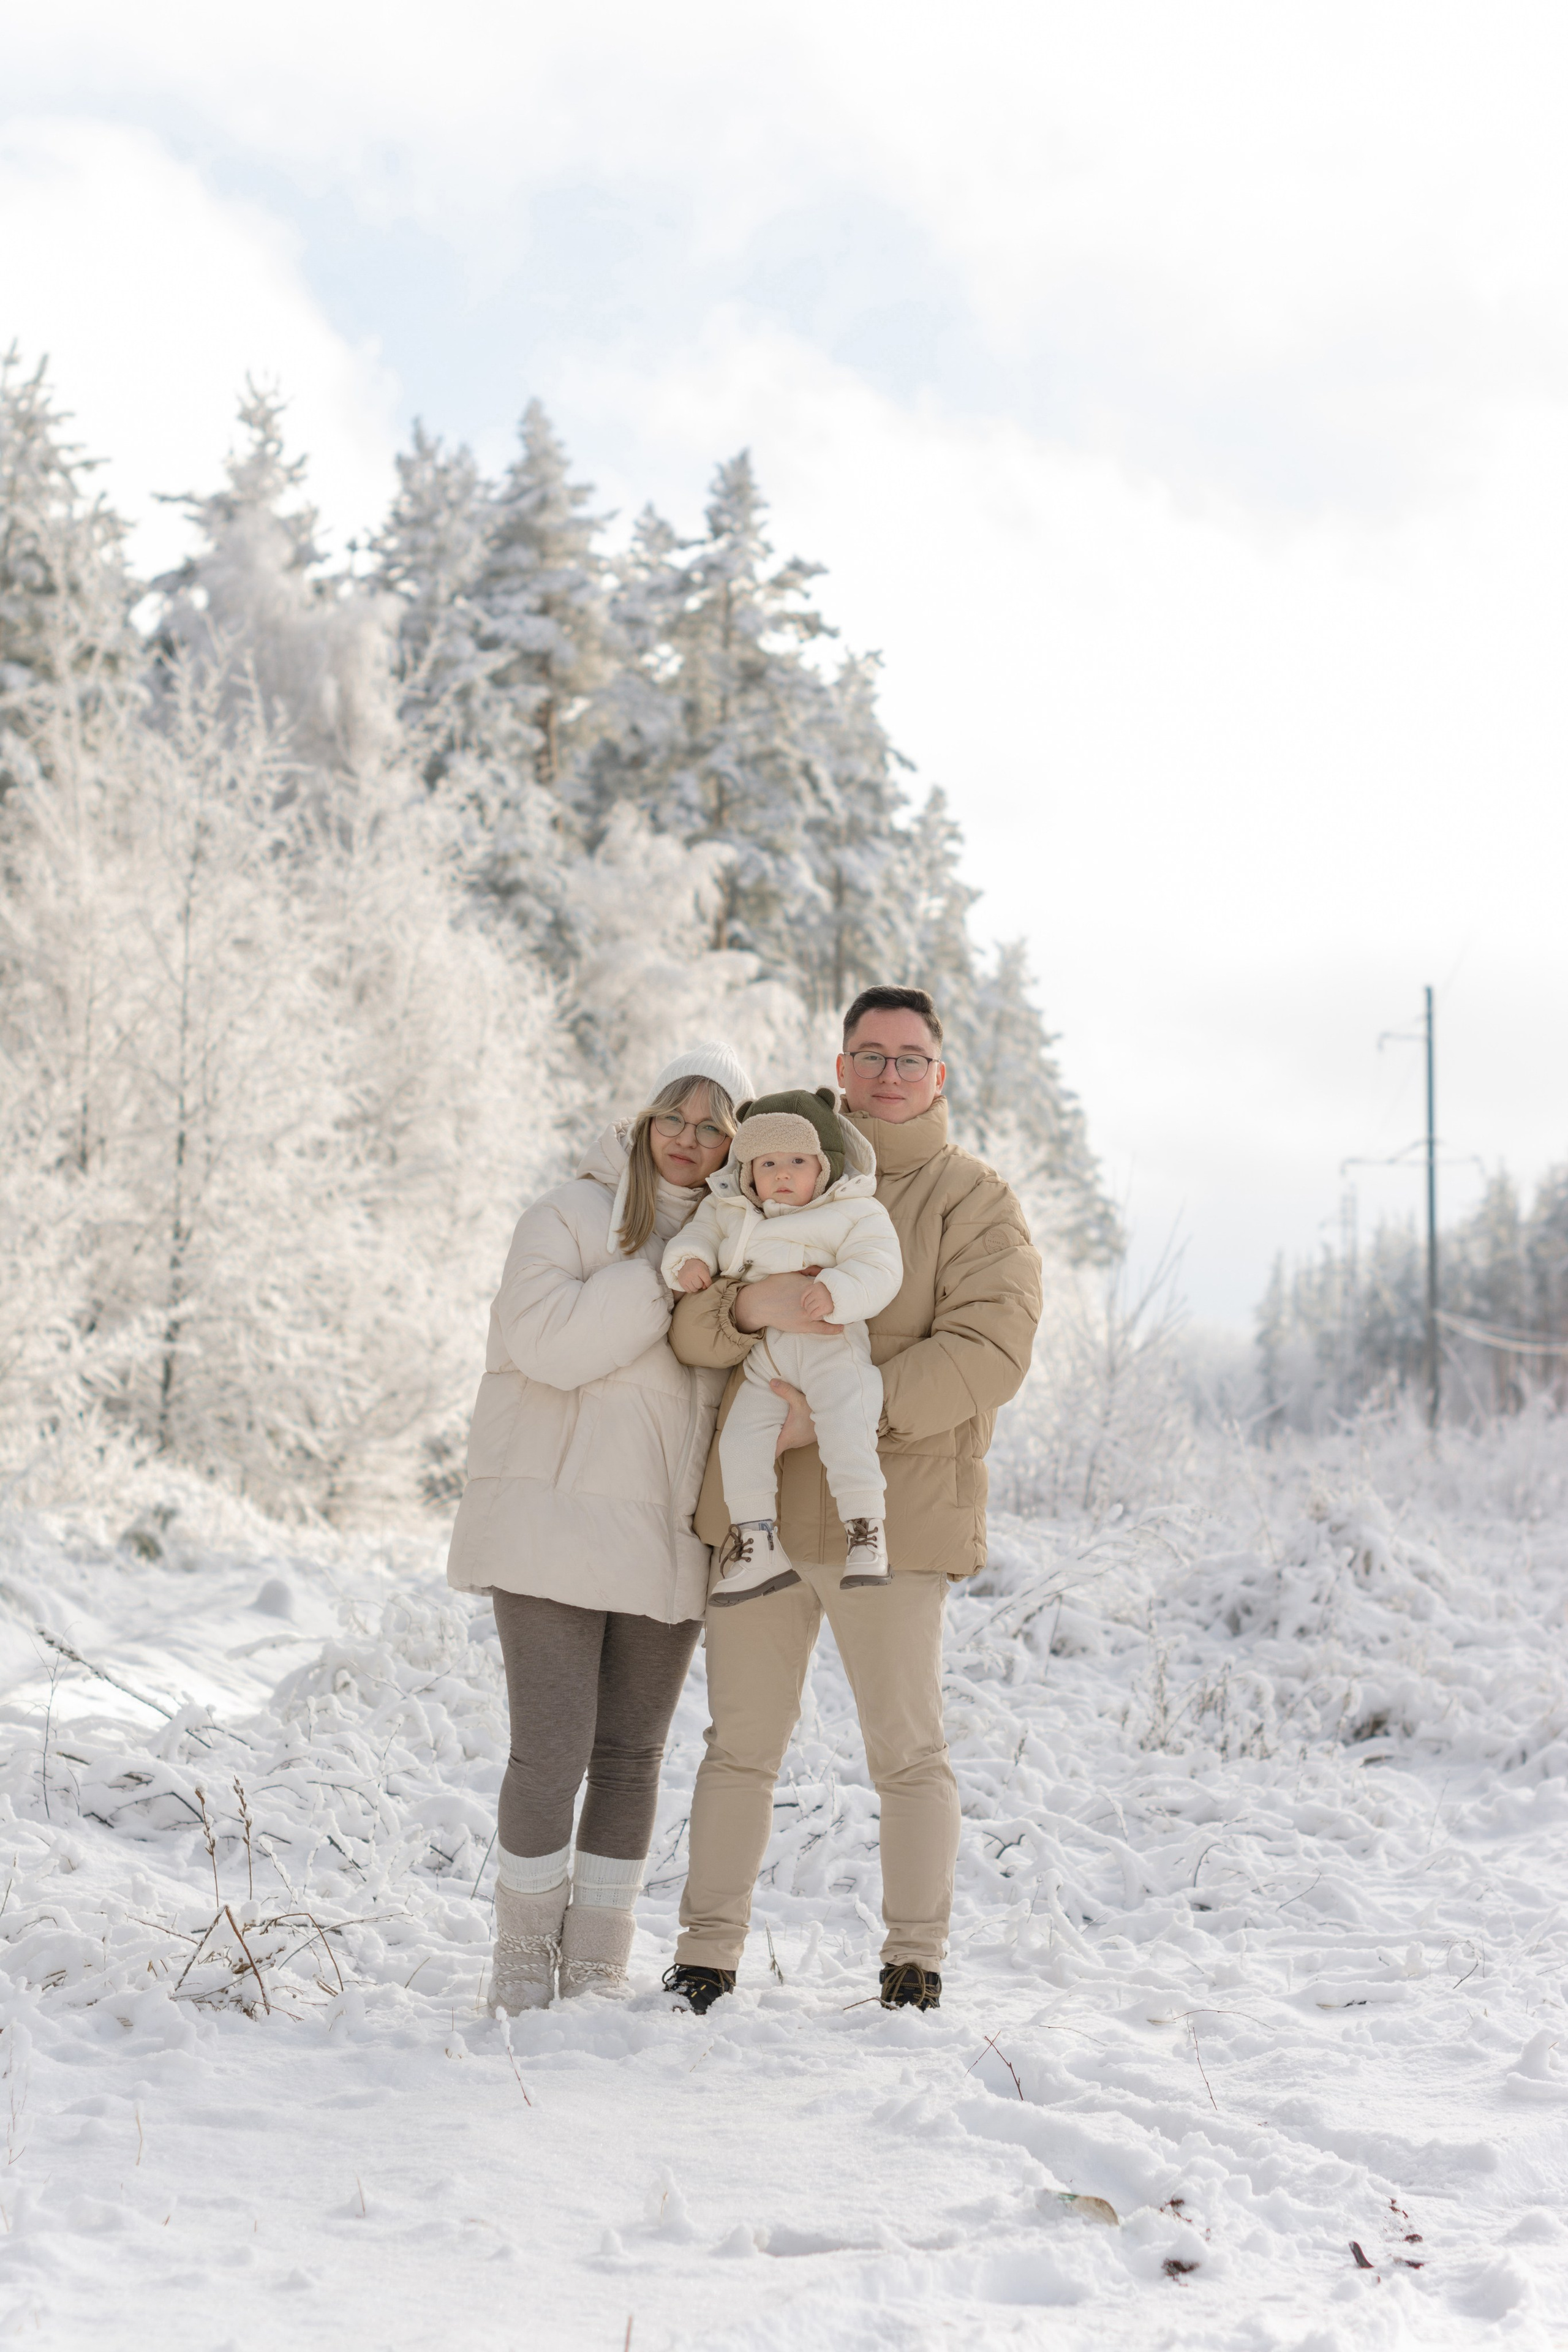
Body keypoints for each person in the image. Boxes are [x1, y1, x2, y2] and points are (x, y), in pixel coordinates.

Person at [660, 987, 1043, 2016]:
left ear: (939, 1075)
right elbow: (692, 1333)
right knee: (739, 1744)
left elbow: (986, 1354)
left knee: (907, 1750)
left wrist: (829, 1421)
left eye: (907, 1056)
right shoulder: (773, 1179)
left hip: (896, 1515)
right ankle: (705, 1957)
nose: (886, 1073)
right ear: (841, 1068)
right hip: (761, 1516)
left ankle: (913, 1962)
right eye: (867, 1054)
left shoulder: (975, 1201)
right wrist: (749, 1303)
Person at [445, 1041, 754, 2012]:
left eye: (713, 1127)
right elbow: (551, 1347)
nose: (688, 1140)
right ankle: (522, 1960)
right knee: (552, 1749)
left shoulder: (742, 1243)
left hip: (666, 1537)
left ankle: (593, 1969)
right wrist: (671, 1267)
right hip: (550, 1525)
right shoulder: (569, 1215)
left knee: (630, 1758)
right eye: (674, 1117)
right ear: (642, 1119)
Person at [661, 1088, 903, 1602]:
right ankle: (757, 1542)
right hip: (767, 1354)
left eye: (798, 1161)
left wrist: (837, 1290)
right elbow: (698, 1233)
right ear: (748, 1173)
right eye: (768, 1163)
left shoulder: (855, 1211)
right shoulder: (731, 1210)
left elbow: (880, 1266)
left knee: (847, 1422)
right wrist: (686, 1262)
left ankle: (867, 1529)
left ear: (825, 1166)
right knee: (742, 1440)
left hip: (831, 1344)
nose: (784, 1174)